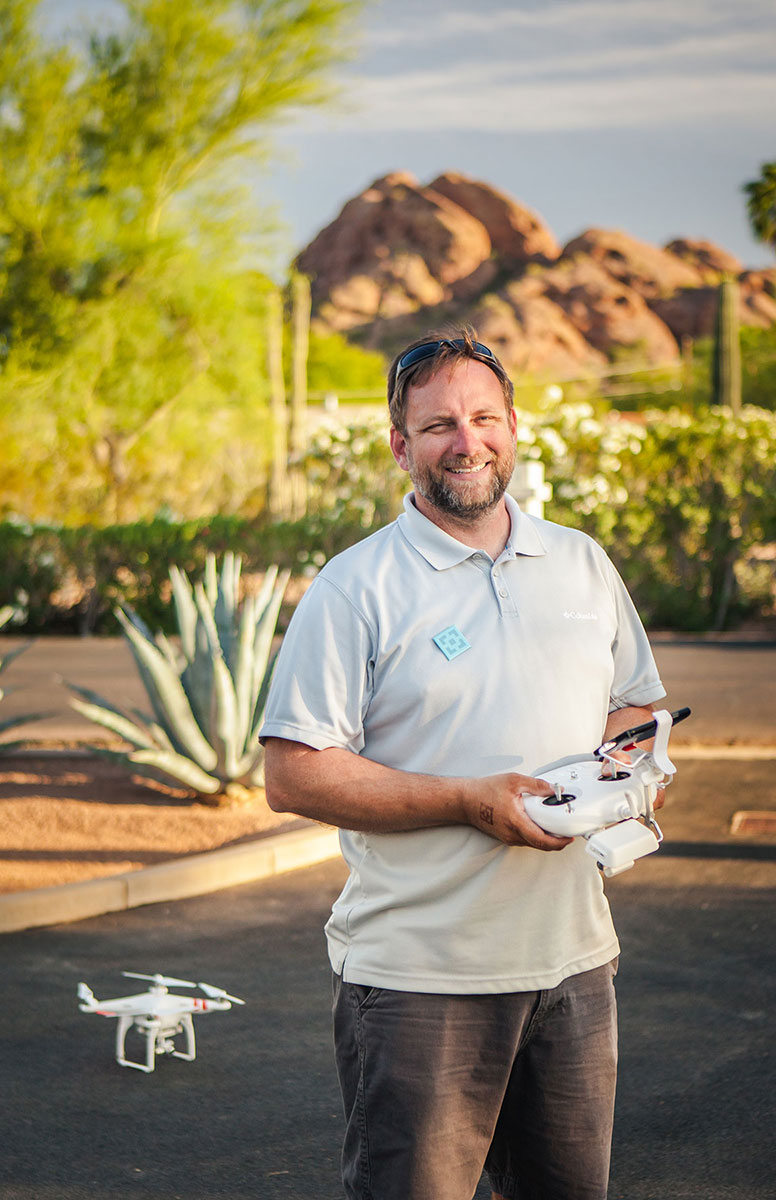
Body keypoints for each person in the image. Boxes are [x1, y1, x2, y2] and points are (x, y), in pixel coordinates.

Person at [260, 331, 667, 1200]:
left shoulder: (581, 562)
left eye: (485, 417)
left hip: (574, 967)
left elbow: (635, 704)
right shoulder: (355, 587)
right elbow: (294, 773)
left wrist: (620, 783)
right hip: (419, 983)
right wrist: (470, 802)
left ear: (514, 427)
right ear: (401, 445)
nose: (467, 441)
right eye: (439, 424)